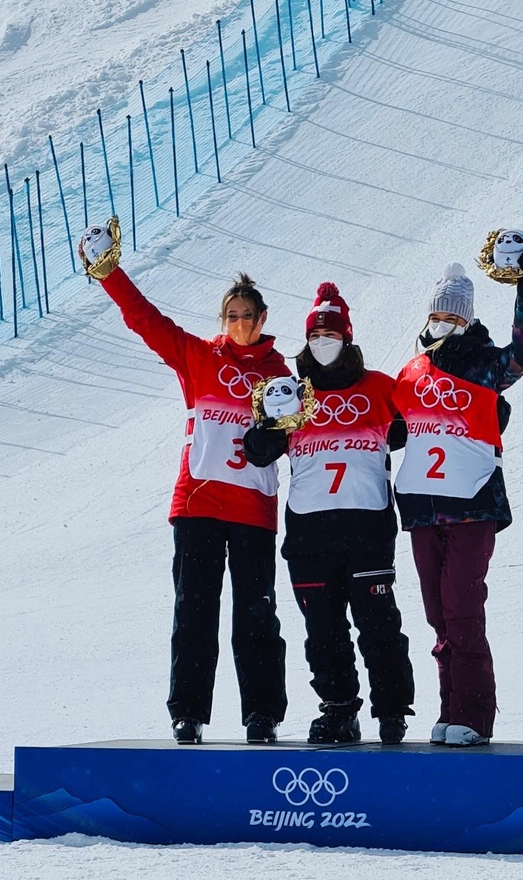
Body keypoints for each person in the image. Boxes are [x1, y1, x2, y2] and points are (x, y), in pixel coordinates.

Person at [78, 217, 290, 745]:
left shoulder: (283, 376)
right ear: (223, 319)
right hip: (195, 504)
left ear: (264, 318)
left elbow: (304, 430)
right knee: (194, 612)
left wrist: (279, 438)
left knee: (256, 615)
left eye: (248, 316)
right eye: (231, 315)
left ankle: (261, 714)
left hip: (253, 509)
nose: (239, 323)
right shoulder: (199, 357)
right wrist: (110, 274)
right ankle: (188, 712)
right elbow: (146, 321)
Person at [244, 282, 415, 744]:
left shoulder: (380, 387)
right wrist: (266, 427)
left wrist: (486, 404)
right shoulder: (292, 394)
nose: (323, 344)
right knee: (323, 630)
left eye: (332, 336)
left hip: (367, 526)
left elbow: (423, 422)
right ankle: (338, 709)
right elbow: (258, 451)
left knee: (379, 621)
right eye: (316, 337)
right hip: (310, 531)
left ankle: (393, 710)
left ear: (347, 338)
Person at [393, 252, 523, 746]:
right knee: (438, 614)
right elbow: (392, 426)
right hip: (423, 507)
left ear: (469, 318)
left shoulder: (483, 365)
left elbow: (522, 353)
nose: (445, 323)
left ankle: (475, 715)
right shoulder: (411, 371)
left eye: (455, 315)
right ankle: (449, 710)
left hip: (471, 503)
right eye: (439, 314)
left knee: (462, 607)